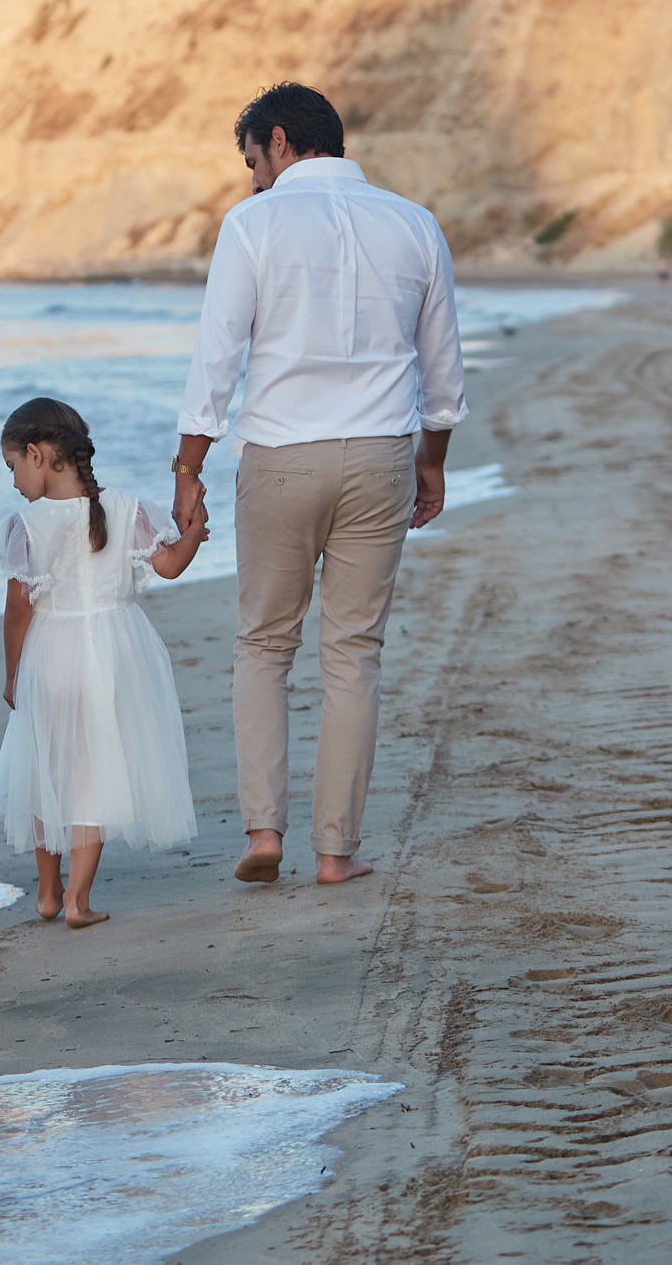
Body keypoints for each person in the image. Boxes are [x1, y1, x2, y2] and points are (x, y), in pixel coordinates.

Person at [173, 82, 466, 888]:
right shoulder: (414, 223)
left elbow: (217, 357)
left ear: (278, 141)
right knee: (354, 653)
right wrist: (431, 458)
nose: (251, 179)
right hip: (380, 454)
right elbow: (442, 372)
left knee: (264, 643)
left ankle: (265, 831)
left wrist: (188, 465)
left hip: (279, 457)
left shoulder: (255, 224)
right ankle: (336, 851)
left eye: (251, 163)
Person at [0, 398, 208, 928]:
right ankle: (79, 900)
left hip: (51, 653)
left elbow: (18, 608)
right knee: (92, 774)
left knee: (46, 768)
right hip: (112, 652)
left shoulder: (26, 524)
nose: (13, 482)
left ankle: (48, 893)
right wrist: (194, 532)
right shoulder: (126, 508)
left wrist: (13, 672)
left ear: (37, 454)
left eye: (12, 467)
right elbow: (169, 565)